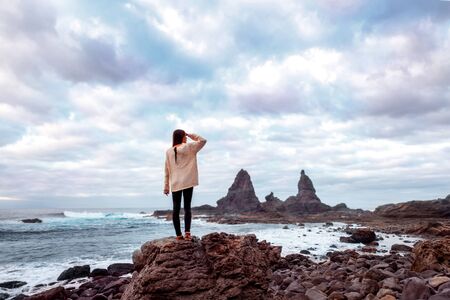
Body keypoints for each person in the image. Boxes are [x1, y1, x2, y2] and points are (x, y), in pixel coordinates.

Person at [164, 129, 207, 240]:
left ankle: (178, 235)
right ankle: (187, 233)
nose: (186, 138)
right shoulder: (189, 147)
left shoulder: (168, 151)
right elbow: (203, 140)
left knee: (176, 209)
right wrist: (191, 135)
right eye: (185, 136)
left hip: (175, 183)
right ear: (182, 136)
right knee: (187, 207)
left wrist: (166, 186)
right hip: (188, 181)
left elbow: (166, 170)